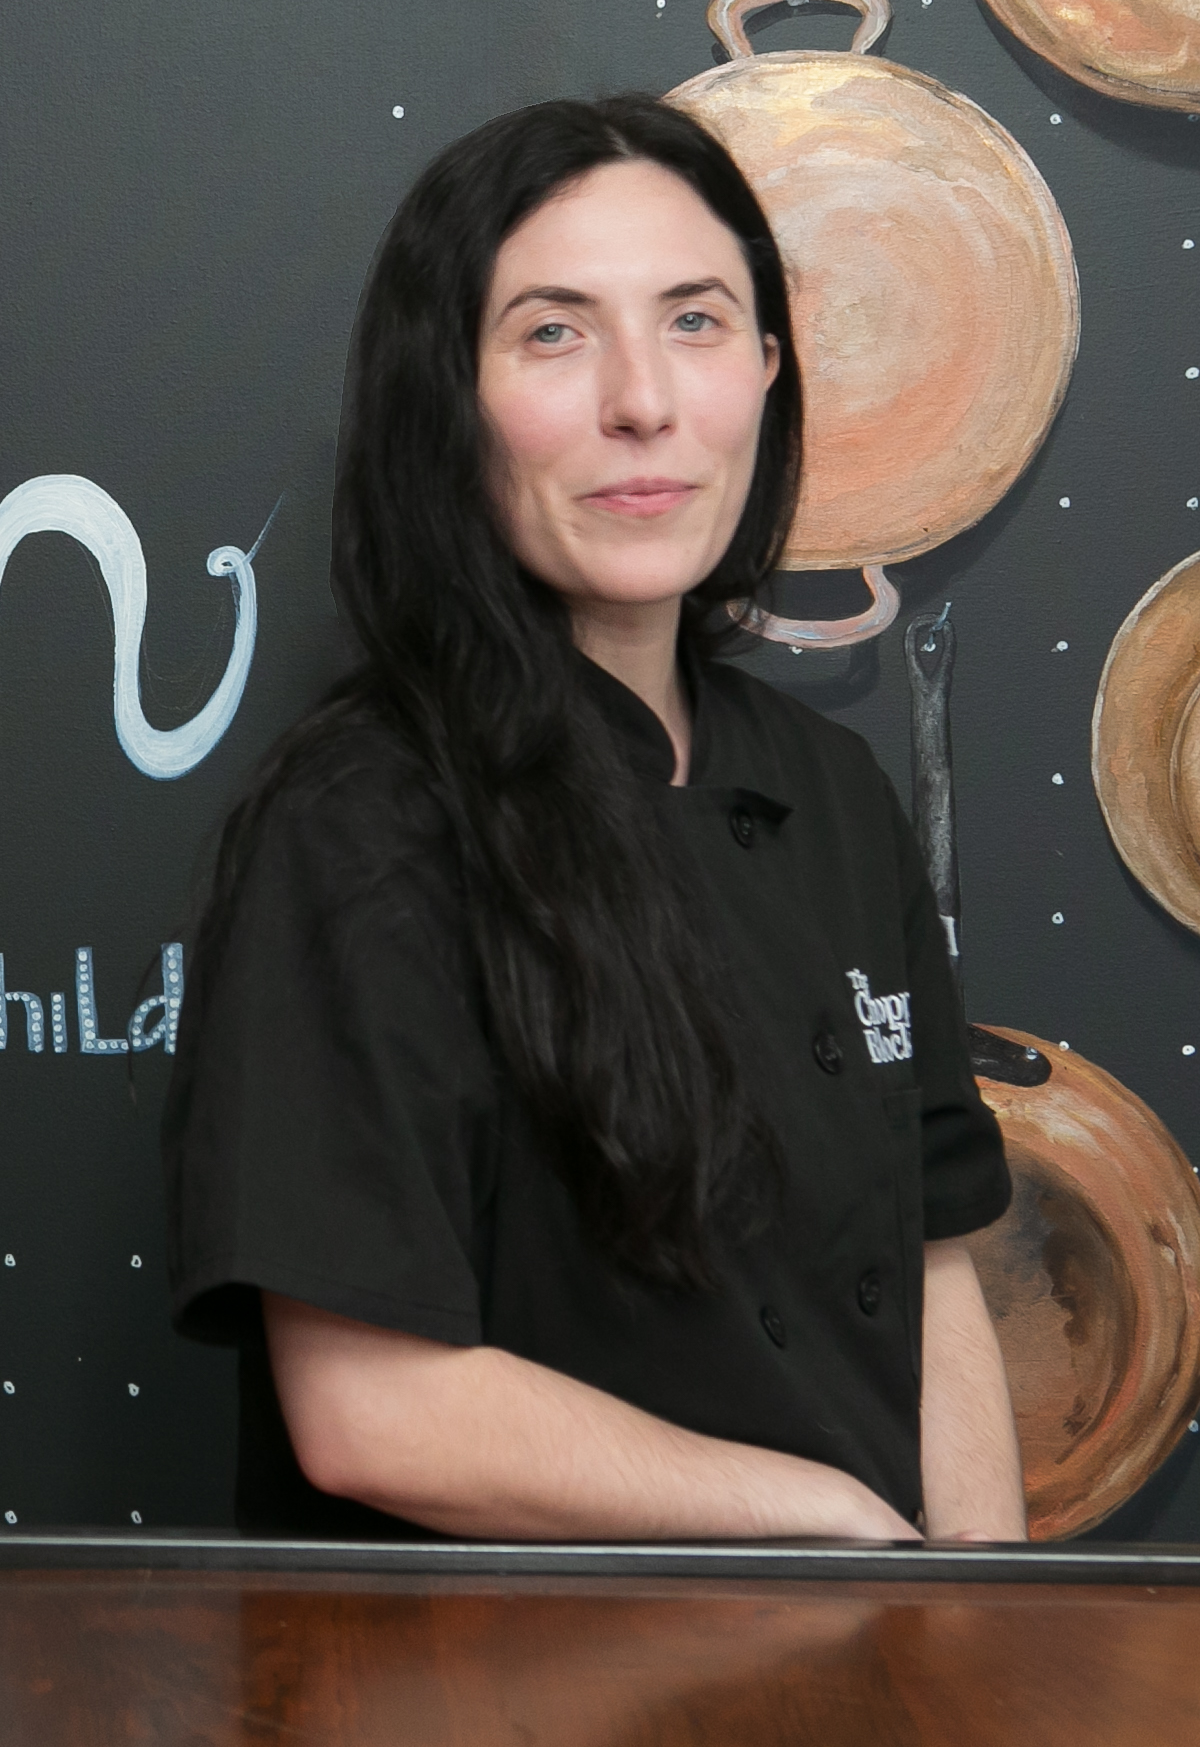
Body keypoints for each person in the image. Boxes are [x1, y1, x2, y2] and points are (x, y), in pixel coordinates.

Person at [160, 94, 1025, 1544]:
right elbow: (371, 1410)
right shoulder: (363, 820)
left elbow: (931, 1267)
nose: (643, 400)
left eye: (694, 322)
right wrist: (829, 1518)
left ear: (766, 370)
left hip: (862, 1640)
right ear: (448, 398)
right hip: (518, 1654)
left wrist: (981, 1618)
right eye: (553, 332)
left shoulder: (833, 790)